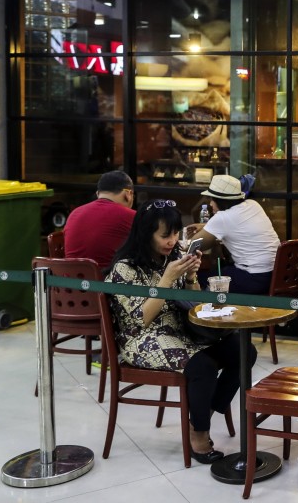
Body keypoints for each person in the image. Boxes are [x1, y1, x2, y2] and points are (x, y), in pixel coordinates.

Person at [106, 199, 255, 464]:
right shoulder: (125, 268)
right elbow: (141, 320)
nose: (172, 241)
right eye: (165, 235)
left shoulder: (171, 257)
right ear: (146, 233)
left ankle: (202, 415)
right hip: (141, 339)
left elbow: (193, 304)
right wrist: (166, 280)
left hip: (179, 328)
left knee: (243, 351)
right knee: (202, 366)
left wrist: (189, 278)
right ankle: (199, 434)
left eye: (175, 233)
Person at [186, 175, 281, 295]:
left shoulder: (222, 218)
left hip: (252, 278)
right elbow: (239, 226)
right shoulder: (253, 205)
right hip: (276, 275)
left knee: (200, 278)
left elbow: (194, 245)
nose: (210, 204)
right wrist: (206, 226)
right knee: (222, 270)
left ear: (221, 200)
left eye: (212, 199)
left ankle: (203, 306)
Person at [63, 170, 136, 271]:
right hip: (107, 279)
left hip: (69, 278)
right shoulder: (131, 216)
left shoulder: (74, 213)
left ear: (98, 194)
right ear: (128, 194)